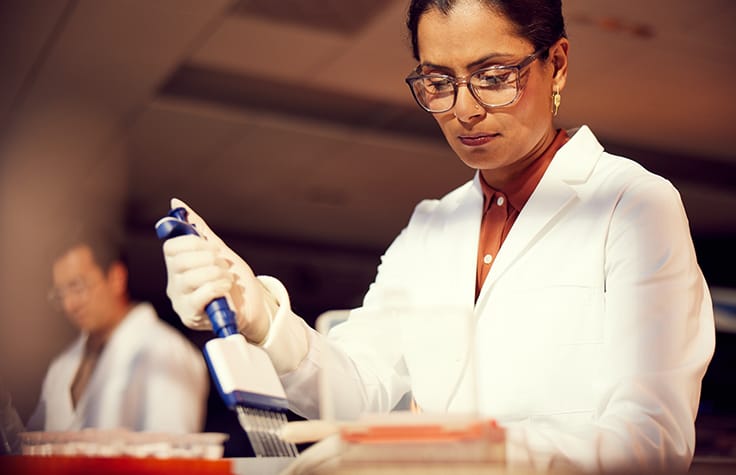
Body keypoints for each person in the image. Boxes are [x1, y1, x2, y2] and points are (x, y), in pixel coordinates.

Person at [161, 0, 715, 471]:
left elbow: (653, 441)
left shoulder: (633, 203)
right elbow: (360, 389)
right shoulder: (430, 225)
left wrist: (468, 453)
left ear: (559, 64)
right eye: (438, 82)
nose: (465, 110)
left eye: (495, 77)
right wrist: (262, 317)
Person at [28, 226, 208, 433]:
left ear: (116, 278)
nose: (70, 304)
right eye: (61, 294)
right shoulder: (61, 366)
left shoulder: (166, 351)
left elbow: (174, 456)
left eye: (77, 287)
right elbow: (33, 444)